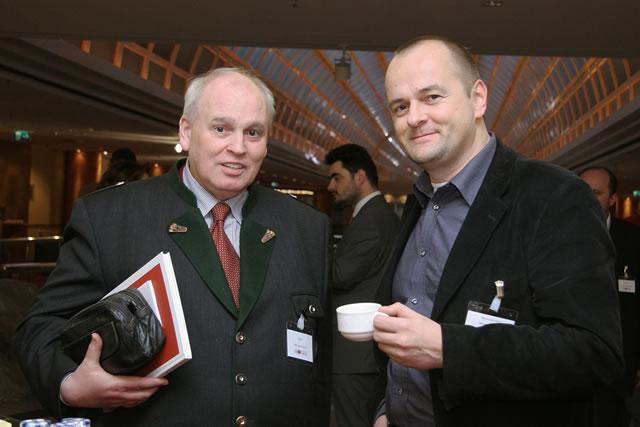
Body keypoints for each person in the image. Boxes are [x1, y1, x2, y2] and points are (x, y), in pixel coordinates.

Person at [15, 67, 332, 426]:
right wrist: (70, 384)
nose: (238, 147)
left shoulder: (307, 228)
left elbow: (323, 367)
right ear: (186, 131)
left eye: (253, 132)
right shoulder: (109, 218)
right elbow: (41, 326)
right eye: (221, 128)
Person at [372, 35, 623, 427]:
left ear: (478, 98)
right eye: (400, 106)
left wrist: (447, 348)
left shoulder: (553, 196)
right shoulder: (419, 202)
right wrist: (388, 408)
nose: (414, 117)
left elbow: (594, 353)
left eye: (432, 97)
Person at [325, 144, 399, 427]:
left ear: (360, 177)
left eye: (337, 177)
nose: (331, 186)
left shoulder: (372, 219)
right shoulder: (375, 214)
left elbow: (340, 274)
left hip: (356, 353)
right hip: (364, 351)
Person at [580, 166, 640, 426]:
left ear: (613, 199)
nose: (587, 198)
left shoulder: (633, 240)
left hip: (620, 360)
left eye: (596, 193)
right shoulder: (555, 233)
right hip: (571, 359)